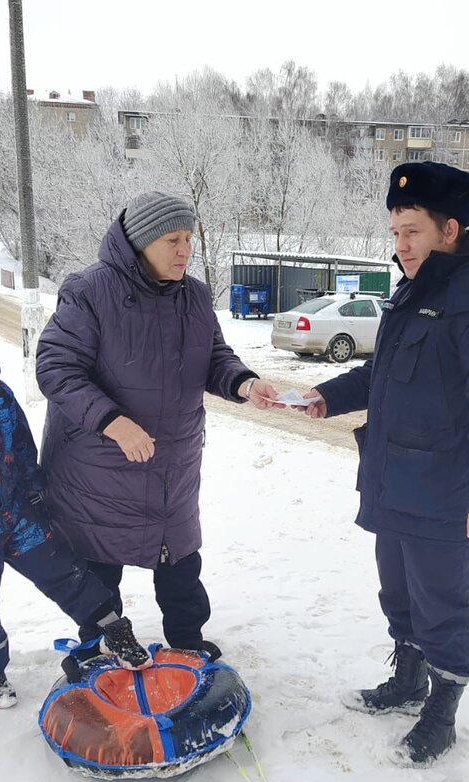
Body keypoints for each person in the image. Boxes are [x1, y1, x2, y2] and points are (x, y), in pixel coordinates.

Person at [299, 162, 469, 764]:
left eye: (411, 232)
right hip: (394, 478)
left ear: (449, 230)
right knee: (398, 594)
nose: (399, 246)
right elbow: (384, 374)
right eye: (395, 232)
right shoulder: (416, 287)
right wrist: (330, 396)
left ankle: (442, 711)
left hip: (446, 490)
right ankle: (407, 682)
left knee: (443, 605)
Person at [36, 191, 279, 661]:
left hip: (172, 461)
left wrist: (244, 384)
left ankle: (187, 640)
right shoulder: (89, 291)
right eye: (173, 239)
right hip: (101, 466)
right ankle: (97, 645)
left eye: (188, 238)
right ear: (141, 242)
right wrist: (112, 421)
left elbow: (214, 358)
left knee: (180, 560)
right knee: (99, 565)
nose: (185, 249)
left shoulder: (196, 296)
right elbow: (55, 368)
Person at [0, 291, 150, 710]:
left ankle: (113, 632)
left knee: (68, 573)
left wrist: (37, 492)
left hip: (17, 515)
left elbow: (21, 444)